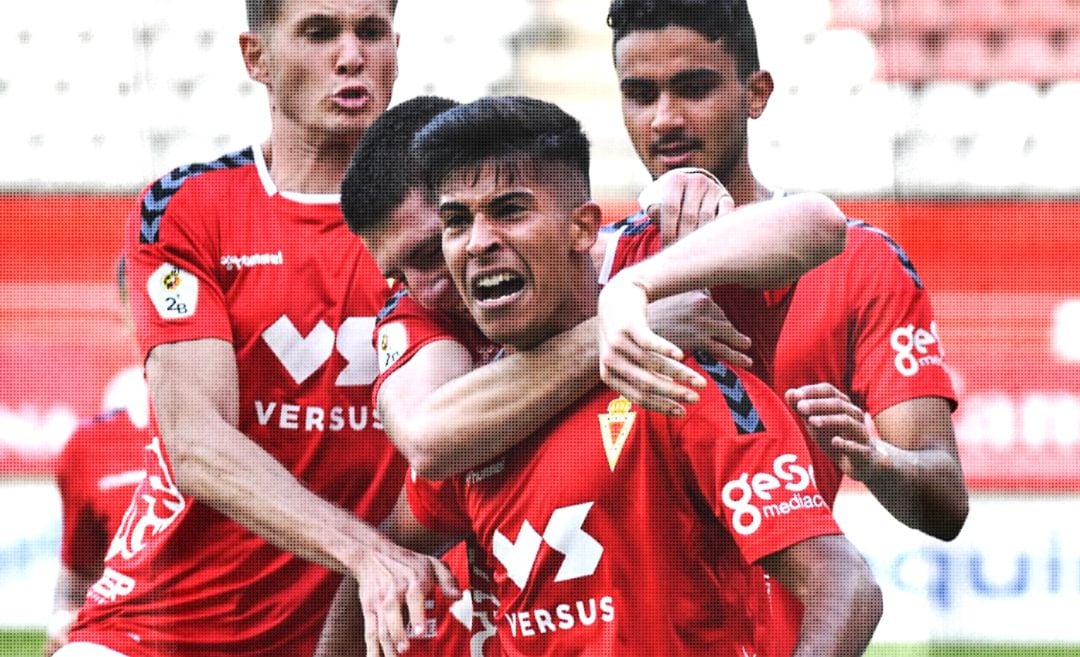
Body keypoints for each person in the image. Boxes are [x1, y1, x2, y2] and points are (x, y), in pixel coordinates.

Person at [324, 95, 881, 657]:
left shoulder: (675, 375)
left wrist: (632, 291)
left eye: (511, 211)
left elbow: (845, 585)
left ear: (583, 229)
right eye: (456, 223)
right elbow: (388, 547)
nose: (476, 243)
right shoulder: (473, 414)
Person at [61, 2, 457, 657]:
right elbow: (196, 442)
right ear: (256, 57)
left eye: (371, 31)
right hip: (163, 625)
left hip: (367, 629)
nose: (351, 54)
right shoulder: (188, 206)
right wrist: (369, 553)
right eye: (320, 32)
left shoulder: (457, 214)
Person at [600, 0, 969, 653]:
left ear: (755, 92)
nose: (665, 118)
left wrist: (875, 458)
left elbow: (944, 503)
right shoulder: (594, 268)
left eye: (694, 88)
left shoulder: (861, 264)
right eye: (640, 94)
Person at [44, 260, 151, 657]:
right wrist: (61, 621)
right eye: (145, 302)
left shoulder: (259, 428)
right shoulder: (89, 446)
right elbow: (76, 576)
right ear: (124, 312)